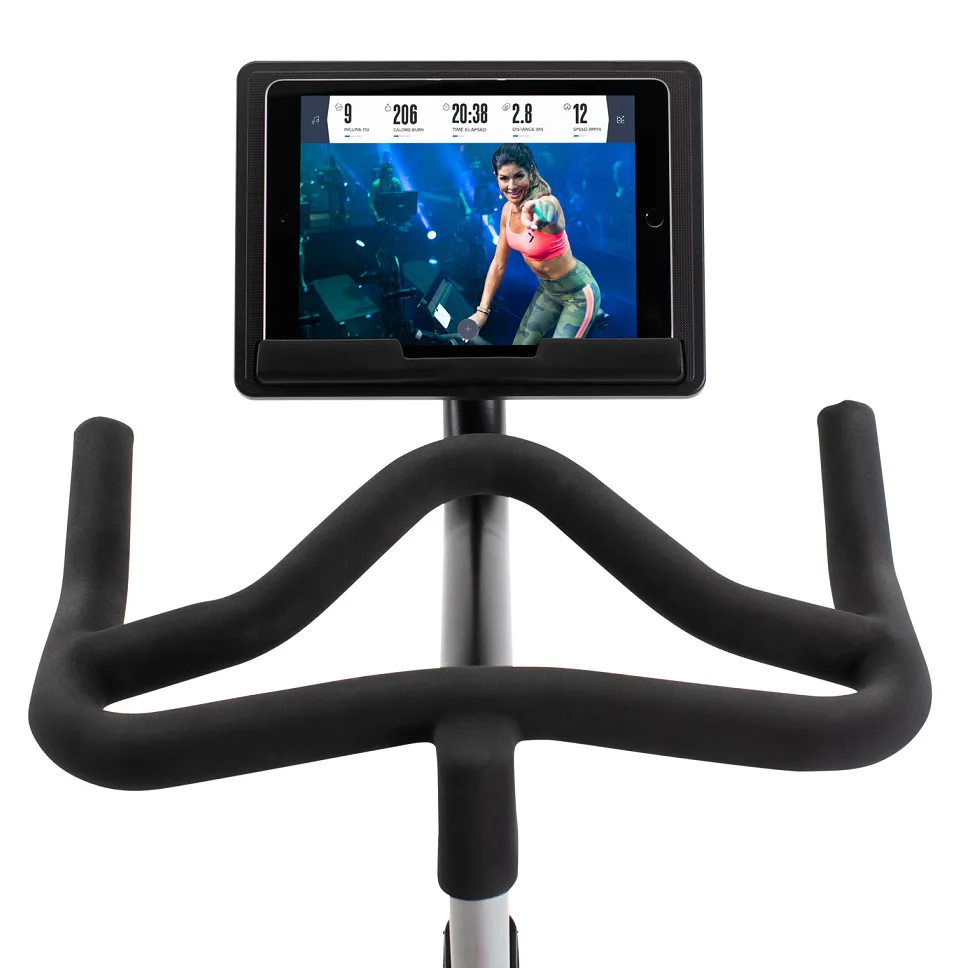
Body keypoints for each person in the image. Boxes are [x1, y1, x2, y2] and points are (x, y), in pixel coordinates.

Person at [466, 143, 601, 344]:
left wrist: (538, 208)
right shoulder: (507, 211)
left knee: (557, 358)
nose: (511, 186)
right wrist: (482, 311)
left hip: (578, 294)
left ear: (530, 172)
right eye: (504, 178)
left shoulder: (547, 202)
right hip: (548, 291)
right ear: (496, 177)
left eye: (518, 176)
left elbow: (551, 212)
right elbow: (498, 264)